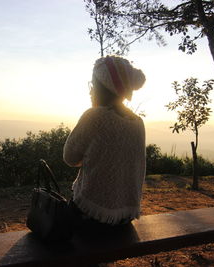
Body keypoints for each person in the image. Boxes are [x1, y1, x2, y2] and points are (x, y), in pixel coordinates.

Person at [63, 55, 146, 231]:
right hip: (125, 220)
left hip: (92, 216)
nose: (91, 90)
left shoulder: (95, 116)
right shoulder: (138, 122)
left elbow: (69, 158)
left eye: (93, 85)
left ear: (102, 87)